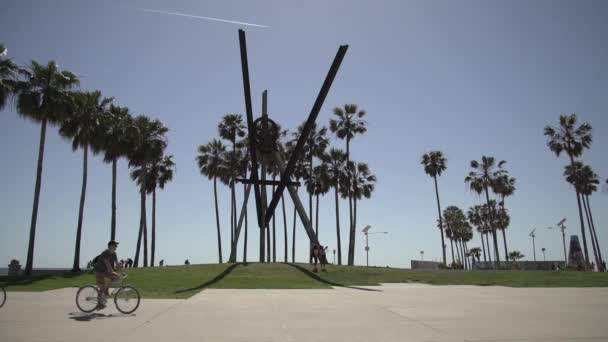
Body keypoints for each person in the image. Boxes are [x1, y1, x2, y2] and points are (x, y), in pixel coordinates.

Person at [93, 240, 121, 311]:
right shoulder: (105, 253)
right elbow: (107, 263)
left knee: (117, 277)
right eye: (115, 245)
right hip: (99, 271)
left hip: (105, 271)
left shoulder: (114, 254)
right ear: (111, 246)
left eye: (116, 245)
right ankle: (99, 304)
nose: (116, 247)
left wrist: (120, 268)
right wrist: (112, 271)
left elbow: (117, 264)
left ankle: (106, 289)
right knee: (102, 286)